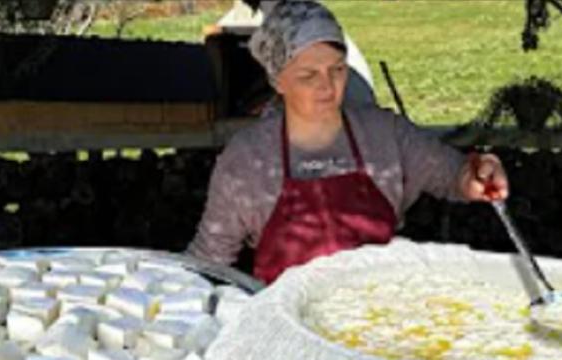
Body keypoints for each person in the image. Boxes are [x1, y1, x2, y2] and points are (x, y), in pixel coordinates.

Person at [188, 0, 509, 284]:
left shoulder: (385, 134)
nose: (327, 87)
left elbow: (455, 175)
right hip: (290, 333)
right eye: (308, 76)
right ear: (278, 80)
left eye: (337, 70)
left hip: (375, 320)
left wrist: (478, 174)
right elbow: (210, 258)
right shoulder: (248, 159)